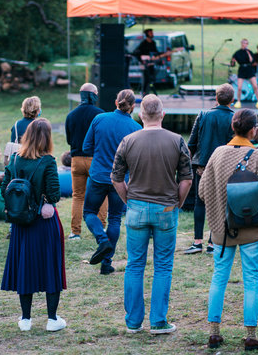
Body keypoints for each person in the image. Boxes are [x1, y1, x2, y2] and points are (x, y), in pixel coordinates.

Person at [111, 95, 193, 335]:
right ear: (162, 114)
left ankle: (133, 322)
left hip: (136, 206)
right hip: (166, 208)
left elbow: (115, 178)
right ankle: (158, 321)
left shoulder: (128, 140)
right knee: (163, 266)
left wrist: (129, 200)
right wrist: (177, 203)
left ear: (140, 115)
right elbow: (186, 179)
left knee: (134, 265)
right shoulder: (177, 140)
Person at [199, 109, 258, 351]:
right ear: (253, 130)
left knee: (219, 278)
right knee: (251, 279)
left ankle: (214, 333)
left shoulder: (217, 153)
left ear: (233, 127)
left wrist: (217, 210)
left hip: (222, 230)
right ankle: (251, 335)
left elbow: (202, 191)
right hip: (252, 227)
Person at [1, 118, 66, 332]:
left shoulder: (15, 159)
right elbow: (55, 193)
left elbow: (5, 188)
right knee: (50, 267)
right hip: (44, 222)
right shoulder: (47, 161)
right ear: (47, 138)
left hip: (22, 223)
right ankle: (52, 319)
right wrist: (45, 201)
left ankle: (26, 319)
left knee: (24, 266)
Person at [83, 89, 142, 275]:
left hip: (98, 176)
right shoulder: (136, 129)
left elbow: (86, 147)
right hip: (120, 179)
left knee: (89, 212)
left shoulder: (99, 119)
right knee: (114, 218)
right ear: (133, 106)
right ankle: (106, 264)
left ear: (116, 102)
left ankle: (102, 241)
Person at [184, 83, 235, 255]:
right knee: (220, 203)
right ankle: (213, 242)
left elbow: (191, 143)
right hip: (224, 165)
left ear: (216, 98)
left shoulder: (203, 115)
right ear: (232, 100)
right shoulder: (234, 118)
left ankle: (197, 242)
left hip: (202, 166)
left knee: (201, 202)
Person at [64, 83, 107, 240]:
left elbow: (69, 140)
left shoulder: (71, 115)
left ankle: (75, 232)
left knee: (78, 196)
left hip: (76, 159)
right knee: (103, 193)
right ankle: (101, 228)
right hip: (95, 160)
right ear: (93, 95)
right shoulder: (100, 114)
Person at [132, 29, 170, 96]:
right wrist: (142, 60)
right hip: (145, 65)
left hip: (151, 64)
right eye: (151, 33)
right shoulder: (143, 43)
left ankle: (148, 92)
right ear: (147, 34)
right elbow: (136, 52)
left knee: (151, 78)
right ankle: (144, 93)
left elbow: (155, 53)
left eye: (152, 33)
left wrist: (163, 54)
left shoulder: (153, 43)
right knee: (146, 79)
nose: (152, 34)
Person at [230, 39, 258, 109]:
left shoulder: (249, 52)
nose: (244, 44)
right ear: (241, 43)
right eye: (243, 43)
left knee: (255, 86)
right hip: (242, 69)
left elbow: (251, 61)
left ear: (247, 44)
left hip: (249, 69)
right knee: (239, 87)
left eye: (245, 43)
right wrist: (233, 61)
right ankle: (238, 101)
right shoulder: (237, 53)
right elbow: (233, 63)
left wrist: (248, 53)